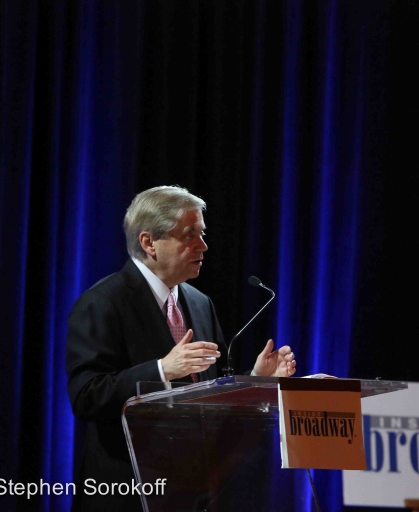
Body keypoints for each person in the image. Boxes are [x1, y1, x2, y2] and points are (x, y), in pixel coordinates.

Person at [66, 185, 296, 511]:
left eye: (202, 234)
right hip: (126, 493)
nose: (203, 245)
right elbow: (86, 397)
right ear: (149, 243)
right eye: (190, 235)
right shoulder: (102, 303)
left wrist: (256, 379)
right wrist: (162, 370)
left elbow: (209, 395)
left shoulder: (200, 303)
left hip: (193, 493)